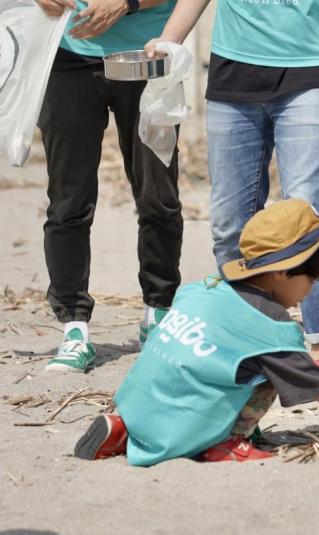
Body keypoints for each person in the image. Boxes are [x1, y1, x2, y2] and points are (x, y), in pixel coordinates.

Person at [145, 0, 319, 390]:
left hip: (317, 64)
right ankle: (248, 344)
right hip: (234, 67)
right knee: (229, 221)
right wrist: (170, 39)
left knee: (309, 212)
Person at [73, 200, 319, 465]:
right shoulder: (272, 326)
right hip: (186, 426)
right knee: (273, 370)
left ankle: (123, 428)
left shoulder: (206, 287)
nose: (309, 292)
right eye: (310, 280)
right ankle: (226, 441)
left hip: (133, 403)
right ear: (283, 272)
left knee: (222, 365)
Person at [36, 0, 183, 373]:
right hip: (67, 56)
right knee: (68, 201)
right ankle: (73, 328)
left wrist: (127, 3)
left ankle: (158, 311)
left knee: (158, 196)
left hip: (147, 55)